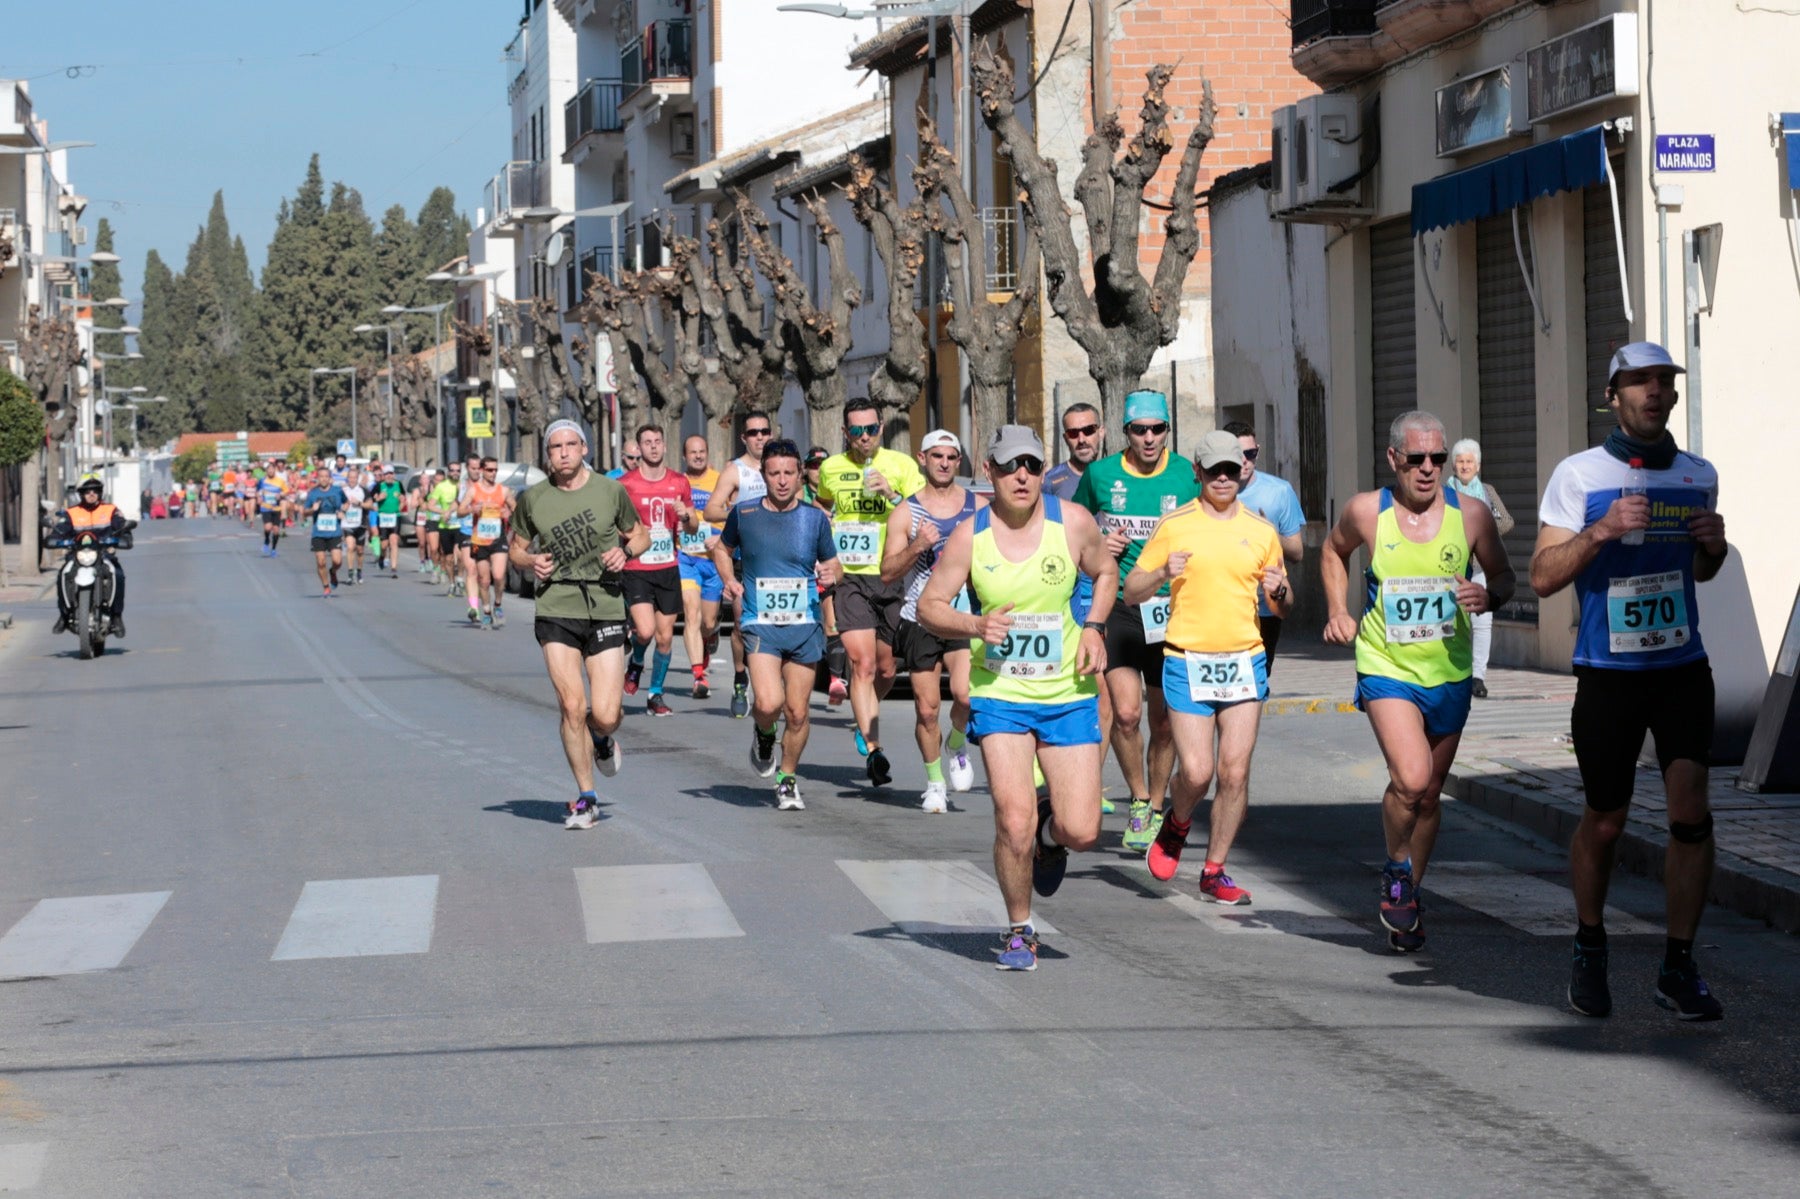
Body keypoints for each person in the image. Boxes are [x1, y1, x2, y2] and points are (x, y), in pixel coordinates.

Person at [1531, 342, 1727, 1021]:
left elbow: (1701, 574)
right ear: (1612, 394)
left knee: (1691, 812)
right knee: (1607, 819)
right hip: (1609, 675)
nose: (1654, 392)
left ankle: (1678, 963)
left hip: (1681, 668)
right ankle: (1589, 943)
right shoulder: (1580, 475)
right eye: (1639, 382)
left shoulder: (1699, 475)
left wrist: (1714, 547)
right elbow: (1543, 576)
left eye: (1664, 382)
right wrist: (1602, 531)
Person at [919, 426, 1116, 971]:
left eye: (1031, 464)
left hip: (1067, 694)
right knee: (1012, 820)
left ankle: (1051, 839)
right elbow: (930, 605)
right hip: (1001, 693)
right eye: (1010, 467)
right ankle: (1019, 929)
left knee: (1082, 829)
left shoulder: (1072, 522)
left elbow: (1105, 572)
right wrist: (975, 623)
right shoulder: (969, 536)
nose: (1022, 476)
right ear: (990, 472)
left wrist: (1095, 626)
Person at [1321, 410, 1513, 952]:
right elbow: (1333, 552)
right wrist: (1338, 609)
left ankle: (1408, 894)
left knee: (1428, 796)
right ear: (1393, 459)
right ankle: (1396, 869)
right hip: (1387, 667)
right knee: (1410, 776)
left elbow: (1504, 574)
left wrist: (1489, 595)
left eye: (1438, 458)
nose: (1428, 469)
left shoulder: (1471, 514)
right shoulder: (1366, 512)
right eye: (1416, 459)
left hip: (1449, 671)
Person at [1126, 431, 1290, 905]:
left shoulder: (1261, 530)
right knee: (1196, 773)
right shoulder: (1175, 524)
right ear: (1197, 473)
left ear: (1242, 471)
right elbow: (1132, 589)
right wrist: (1160, 573)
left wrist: (1279, 591)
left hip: (1244, 661)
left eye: (1231, 470)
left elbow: (1283, 607)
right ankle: (1176, 825)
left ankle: (1214, 869)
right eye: (1213, 470)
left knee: (1234, 773)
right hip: (1187, 659)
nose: (1223, 478)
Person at [1070, 390, 1199, 852]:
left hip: (1173, 608)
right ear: (1125, 432)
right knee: (1126, 713)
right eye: (1139, 430)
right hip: (1122, 606)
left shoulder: (1187, 474)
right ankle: (1139, 800)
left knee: (1163, 722)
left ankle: (1159, 802)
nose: (1148, 438)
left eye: (1157, 429)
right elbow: (1079, 527)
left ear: (1168, 430)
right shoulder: (1102, 475)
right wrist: (1103, 541)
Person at [509, 419, 649, 830]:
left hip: (605, 603)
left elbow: (641, 535)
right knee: (572, 706)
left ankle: (602, 739)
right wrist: (530, 561)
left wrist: (625, 552)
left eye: (571, 444)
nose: (564, 452)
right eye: (556, 447)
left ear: (584, 448)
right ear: (547, 454)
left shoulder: (610, 490)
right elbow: (515, 548)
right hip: (557, 604)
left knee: (604, 714)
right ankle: (587, 798)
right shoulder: (534, 498)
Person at [713, 439, 841, 811]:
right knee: (769, 703)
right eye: (774, 474)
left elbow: (835, 566)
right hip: (760, 623)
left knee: (798, 712)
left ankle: (787, 778)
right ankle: (764, 732)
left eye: (789, 473)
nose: (782, 481)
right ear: (763, 475)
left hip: (804, 625)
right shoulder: (744, 513)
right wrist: (729, 580)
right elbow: (721, 549)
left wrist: (834, 573)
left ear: (800, 474)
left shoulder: (814, 519)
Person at [815, 398, 926, 786]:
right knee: (860, 665)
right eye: (857, 431)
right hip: (850, 578)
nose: (865, 437)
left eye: (872, 429)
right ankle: (874, 748)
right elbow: (822, 505)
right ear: (845, 433)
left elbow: (923, 513)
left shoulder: (902, 466)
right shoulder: (831, 468)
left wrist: (893, 496)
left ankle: (866, 711)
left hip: (893, 574)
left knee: (885, 667)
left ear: (881, 427)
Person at [880, 429, 982, 813]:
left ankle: (957, 743)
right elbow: (888, 572)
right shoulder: (906, 512)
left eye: (950, 457)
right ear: (922, 459)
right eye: (936, 455)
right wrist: (918, 545)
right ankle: (935, 782)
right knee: (926, 709)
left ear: (959, 462)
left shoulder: (978, 506)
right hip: (920, 616)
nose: (943, 463)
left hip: (961, 614)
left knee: (965, 695)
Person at [619, 425, 699, 717]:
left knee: (665, 639)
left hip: (668, 566)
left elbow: (692, 527)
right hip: (637, 567)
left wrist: (686, 515)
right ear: (638, 448)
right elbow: (615, 522)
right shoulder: (626, 484)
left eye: (657, 442)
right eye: (647, 442)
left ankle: (655, 694)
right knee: (645, 630)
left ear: (665, 446)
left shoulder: (679, 482)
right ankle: (637, 661)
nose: (653, 447)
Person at [705, 415, 777, 718]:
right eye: (753, 432)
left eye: (764, 431)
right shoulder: (737, 470)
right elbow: (711, 510)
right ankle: (739, 677)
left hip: (776, 558)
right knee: (740, 623)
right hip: (742, 559)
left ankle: (773, 685)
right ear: (744, 438)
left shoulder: (781, 465)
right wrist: (739, 513)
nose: (759, 437)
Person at [1224, 420, 1306, 674]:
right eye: (1238, 455)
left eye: (1251, 454)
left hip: (1264, 607)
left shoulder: (1279, 492)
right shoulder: (1210, 489)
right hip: (1223, 604)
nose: (1245, 461)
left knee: (1256, 680)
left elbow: (1296, 552)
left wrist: (1267, 530)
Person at [1448, 438, 1514, 699]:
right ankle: (1456, 672)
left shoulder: (1487, 492)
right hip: (1451, 566)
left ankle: (1478, 676)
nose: (1465, 466)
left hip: (1481, 566)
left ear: (1478, 465)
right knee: (1452, 621)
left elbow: (1507, 521)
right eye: (1460, 461)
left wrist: (1482, 533)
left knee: (1483, 623)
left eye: (1469, 462)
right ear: (1453, 466)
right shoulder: (1446, 493)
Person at [49, 476, 131, 637]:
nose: (91, 493)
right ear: (81, 494)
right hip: (77, 555)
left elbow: (122, 527)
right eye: (87, 491)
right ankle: (64, 615)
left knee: (119, 575)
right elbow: (59, 530)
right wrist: (53, 539)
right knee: (62, 575)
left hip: (104, 554)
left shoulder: (110, 510)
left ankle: (116, 617)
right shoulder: (71, 513)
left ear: (100, 492)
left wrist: (125, 538)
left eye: (95, 490)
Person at [678, 435, 725, 699]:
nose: (698, 456)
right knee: (692, 615)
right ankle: (698, 676)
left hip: (713, 560)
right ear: (685, 456)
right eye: (693, 452)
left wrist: (721, 536)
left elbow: (732, 514)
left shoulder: (720, 480)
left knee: (707, 622)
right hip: (686, 558)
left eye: (702, 451)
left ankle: (710, 637)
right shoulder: (677, 482)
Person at [459, 456, 514, 629]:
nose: (493, 473)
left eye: (495, 470)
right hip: (479, 540)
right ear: (482, 470)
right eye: (490, 470)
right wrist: (471, 509)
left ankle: (497, 604)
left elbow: (516, 509)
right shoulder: (474, 491)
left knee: (498, 575)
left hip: (498, 538)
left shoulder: (503, 491)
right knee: (483, 579)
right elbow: (460, 511)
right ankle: (486, 612)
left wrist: (509, 514)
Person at [303, 466, 348, 598]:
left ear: (330, 479)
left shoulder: (338, 491)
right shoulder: (313, 493)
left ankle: (333, 572)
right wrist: (312, 509)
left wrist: (343, 512)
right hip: (319, 533)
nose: (323, 479)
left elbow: (347, 503)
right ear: (318, 478)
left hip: (334, 532)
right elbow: (304, 513)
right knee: (321, 561)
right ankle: (326, 586)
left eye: (326, 476)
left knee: (337, 561)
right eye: (321, 476)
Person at [339, 468, 371, 585]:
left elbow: (370, 505)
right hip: (347, 524)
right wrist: (343, 508)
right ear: (347, 478)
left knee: (360, 550)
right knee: (350, 547)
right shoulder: (342, 490)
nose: (352, 480)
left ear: (357, 478)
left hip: (360, 523)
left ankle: (359, 571)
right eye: (350, 477)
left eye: (354, 478)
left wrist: (360, 503)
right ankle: (350, 573)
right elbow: (338, 505)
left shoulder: (363, 490)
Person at [373, 466, 406, 579]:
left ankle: (393, 568)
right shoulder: (379, 485)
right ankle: (382, 557)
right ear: (383, 475)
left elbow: (403, 498)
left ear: (394, 474)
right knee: (384, 545)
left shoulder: (399, 484)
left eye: (391, 473)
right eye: (387, 474)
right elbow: (372, 500)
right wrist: (379, 498)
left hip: (395, 516)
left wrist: (401, 505)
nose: (389, 476)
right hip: (382, 517)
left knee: (394, 541)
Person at [257, 466, 289, 556]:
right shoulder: (262, 481)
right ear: (266, 471)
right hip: (265, 507)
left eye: (272, 470)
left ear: (274, 471)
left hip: (276, 508)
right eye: (269, 470)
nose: (270, 471)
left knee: (275, 530)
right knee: (267, 527)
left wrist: (281, 494)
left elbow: (286, 490)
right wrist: (259, 497)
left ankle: (274, 549)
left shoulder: (280, 481)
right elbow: (258, 490)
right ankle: (267, 540)